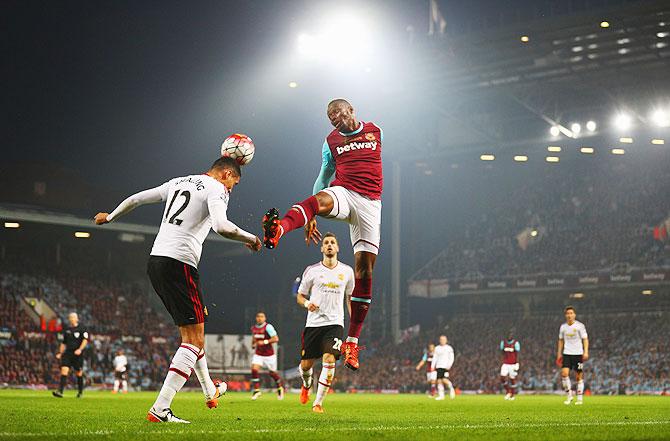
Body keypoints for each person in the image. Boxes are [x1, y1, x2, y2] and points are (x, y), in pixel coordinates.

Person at [94, 156, 261, 423]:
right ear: (227, 174)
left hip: (156, 261)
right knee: (192, 341)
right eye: (234, 183)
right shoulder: (216, 188)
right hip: (180, 263)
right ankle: (161, 408)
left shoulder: (178, 182)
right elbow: (221, 226)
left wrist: (111, 215)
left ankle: (210, 390)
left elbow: (137, 198)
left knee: (194, 334)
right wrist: (250, 238)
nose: (231, 189)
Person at [262, 99, 382, 372]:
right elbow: (324, 176)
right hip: (344, 192)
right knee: (317, 200)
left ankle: (351, 342)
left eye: (336, 113)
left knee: (364, 270)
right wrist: (312, 215)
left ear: (351, 110)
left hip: (371, 205)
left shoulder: (376, 131)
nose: (333, 119)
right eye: (329, 116)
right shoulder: (331, 141)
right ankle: (279, 229)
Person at [296, 232, 354, 413]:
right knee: (306, 366)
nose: (329, 245)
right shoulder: (312, 271)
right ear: (322, 248)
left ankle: (318, 403)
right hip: (313, 324)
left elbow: (350, 299)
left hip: (335, 324)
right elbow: (300, 295)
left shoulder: (347, 272)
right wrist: (307, 303)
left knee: (329, 360)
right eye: (326, 242)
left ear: (337, 248)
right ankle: (306, 385)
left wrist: (355, 324)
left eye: (332, 243)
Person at [556, 306, 589, 405]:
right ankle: (569, 395)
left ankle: (579, 398)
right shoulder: (563, 327)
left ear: (574, 315)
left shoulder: (580, 326)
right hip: (567, 353)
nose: (569, 315)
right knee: (564, 374)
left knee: (579, 376)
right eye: (568, 313)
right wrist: (559, 353)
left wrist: (585, 351)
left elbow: (585, 339)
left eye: (571, 313)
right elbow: (561, 341)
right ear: (565, 315)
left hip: (578, 353)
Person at [52, 312, 88, 398]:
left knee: (79, 373)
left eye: (73, 317)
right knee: (64, 370)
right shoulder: (67, 330)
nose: (71, 319)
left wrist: (80, 349)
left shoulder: (82, 328)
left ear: (77, 319)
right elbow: (63, 343)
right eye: (70, 317)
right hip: (68, 353)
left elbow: (85, 340)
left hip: (77, 354)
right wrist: (60, 353)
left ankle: (80, 392)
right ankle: (60, 391)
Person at [250, 312, 284, 400]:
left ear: (265, 318)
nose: (259, 318)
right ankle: (257, 390)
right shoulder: (253, 328)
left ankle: (280, 387)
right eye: (258, 316)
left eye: (261, 317)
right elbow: (254, 338)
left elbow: (276, 338)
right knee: (254, 369)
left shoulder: (268, 327)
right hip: (259, 354)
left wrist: (265, 342)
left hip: (269, 355)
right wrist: (253, 344)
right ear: (256, 318)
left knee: (272, 373)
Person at [431, 335, 455, 400]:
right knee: (439, 381)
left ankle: (451, 389)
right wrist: (432, 366)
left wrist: (449, 365)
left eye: (444, 339)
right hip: (439, 366)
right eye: (441, 339)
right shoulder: (437, 348)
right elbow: (435, 358)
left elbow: (451, 358)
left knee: (444, 380)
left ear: (446, 340)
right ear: (439, 340)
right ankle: (441, 395)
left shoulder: (449, 348)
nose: (442, 341)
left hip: (445, 366)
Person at [500, 332, 520, 400]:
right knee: (502, 377)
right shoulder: (503, 343)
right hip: (505, 363)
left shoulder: (516, 343)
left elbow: (517, 353)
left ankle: (512, 395)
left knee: (512, 379)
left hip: (513, 364)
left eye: (510, 335)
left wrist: (517, 363)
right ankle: (508, 391)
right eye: (508, 335)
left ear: (512, 336)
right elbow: (502, 352)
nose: (509, 336)